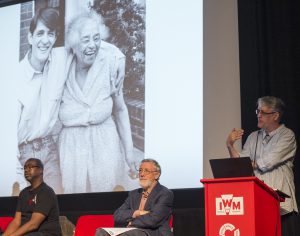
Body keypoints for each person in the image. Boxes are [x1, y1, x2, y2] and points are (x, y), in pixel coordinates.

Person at [58, 11, 139, 193]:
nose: (93, 45)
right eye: (86, 40)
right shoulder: (62, 66)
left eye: (97, 38)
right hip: (72, 147)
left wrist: (129, 152)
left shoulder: (109, 63)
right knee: (74, 200)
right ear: (73, 44)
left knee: (108, 198)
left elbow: (120, 110)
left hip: (105, 143)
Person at [226, 96, 298, 235]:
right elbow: (240, 164)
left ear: (275, 115)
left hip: (282, 206)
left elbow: (269, 161)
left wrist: (247, 164)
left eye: (263, 112)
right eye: (258, 111)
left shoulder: (287, 135)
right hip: (258, 204)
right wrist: (229, 145)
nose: (259, 115)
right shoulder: (253, 136)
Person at [17, 7, 66, 194]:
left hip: (49, 149)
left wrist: (118, 58)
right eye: (40, 33)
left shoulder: (60, 60)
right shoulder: (15, 78)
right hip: (23, 155)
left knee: (58, 207)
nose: (45, 40)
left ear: (55, 38)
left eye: (50, 34)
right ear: (30, 37)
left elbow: (85, 41)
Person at [95, 159, 173, 236]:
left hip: (152, 232)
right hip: (132, 231)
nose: (142, 174)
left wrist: (132, 223)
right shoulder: (134, 194)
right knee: (101, 232)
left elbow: (153, 219)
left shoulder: (164, 194)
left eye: (146, 171)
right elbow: (117, 215)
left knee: (126, 234)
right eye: (140, 170)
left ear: (157, 175)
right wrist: (136, 213)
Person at [3, 158, 61, 236]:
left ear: (40, 170)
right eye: (25, 168)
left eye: (30, 167)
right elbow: (17, 221)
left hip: (46, 233)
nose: (26, 170)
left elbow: (34, 224)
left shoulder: (46, 192)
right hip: (29, 233)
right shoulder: (23, 193)